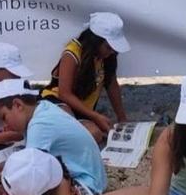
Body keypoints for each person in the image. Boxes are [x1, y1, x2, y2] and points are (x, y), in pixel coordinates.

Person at [41, 12, 131, 142]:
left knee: (94, 134)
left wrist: (122, 118)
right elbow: (64, 94)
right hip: (57, 102)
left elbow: (112, 85)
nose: (112, 52)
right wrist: (95, 116)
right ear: (95, 41)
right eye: (108, 47)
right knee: (70, 122)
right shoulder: (72, 53)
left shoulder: (106, 57)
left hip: (81, 111)